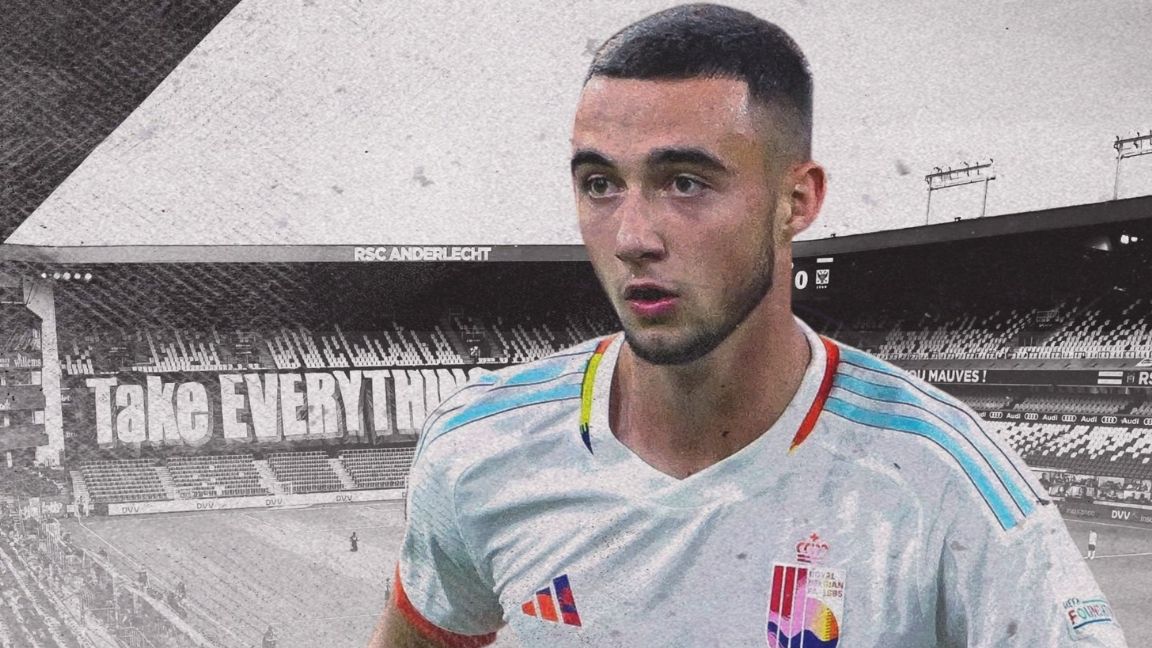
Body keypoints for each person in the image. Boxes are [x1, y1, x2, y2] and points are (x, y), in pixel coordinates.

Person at [369, 4, 1127, 647]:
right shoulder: (483, 447)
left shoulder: (941, 479)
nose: (632, 235)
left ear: (796, 201)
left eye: (685, 183)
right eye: (600, 184)